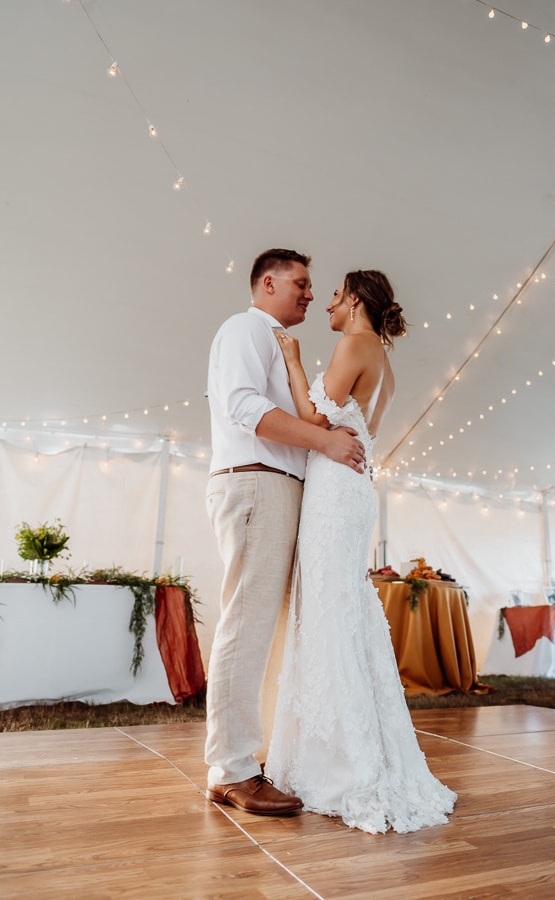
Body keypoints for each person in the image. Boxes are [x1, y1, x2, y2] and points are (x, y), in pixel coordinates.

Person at [265, 269, 457, 834]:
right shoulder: (385, 363)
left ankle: (343, 764)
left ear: (354, 299)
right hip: (350, 489)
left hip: (334, 491)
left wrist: (296, 361)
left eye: (334, 294)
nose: (325, 302)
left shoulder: (354, 342)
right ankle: (343, 750)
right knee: (340, 609)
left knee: (326, 610)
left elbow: (314, 419)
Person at [204, 248, 367, 817]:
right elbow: (242, 406)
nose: (308, 293)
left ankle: (246, 758)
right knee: (245, 626)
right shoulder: (245, 329)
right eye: (300, 283)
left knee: (265, 631)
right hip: (256, 484)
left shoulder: (277, 342)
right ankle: (231, 770)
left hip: (275, 488)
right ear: (267, 282)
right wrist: (323, 442)